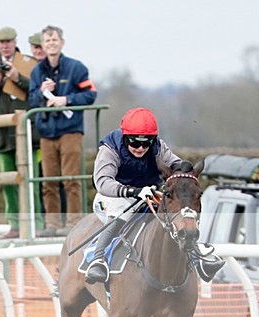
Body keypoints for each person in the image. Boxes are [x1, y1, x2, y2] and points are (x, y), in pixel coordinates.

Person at [85, 107, 224, 283]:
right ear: (125, 137)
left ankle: (197, 257)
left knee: (176, 213)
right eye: (135, 143)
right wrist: (132, 191)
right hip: (112, 197)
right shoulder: (110, 149)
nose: (141, 148)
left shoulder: (158, 146)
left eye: (146, 143)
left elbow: (175, 165)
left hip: (146, 195)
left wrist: (186, 170)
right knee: (122, 211)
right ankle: (98, 259)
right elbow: (103, 182)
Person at [28, 25, 97, 237]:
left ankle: (74, 223)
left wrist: (66, 100)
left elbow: (90, 94)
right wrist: (42, 94)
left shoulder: (76, 68)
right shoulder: (37, 72)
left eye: (54, 40)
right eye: (47, 41)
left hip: (70, 130)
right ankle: (52, 224)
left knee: (71, 178)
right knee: (48, 181)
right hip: (47, 132)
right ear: (43, 45)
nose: (51, 44)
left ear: (62, 43)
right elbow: (30, 99)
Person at [0, 26, 44, 239]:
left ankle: (37, 223)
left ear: (15, 42)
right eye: (2, 42)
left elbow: (36, 92)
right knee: (8, 183)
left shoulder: (27, 64)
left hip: (26, 133)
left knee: (31, 180)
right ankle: (15, 224)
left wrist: (17, 78)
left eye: (9, 41)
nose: (5, 46)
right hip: (2, 135)